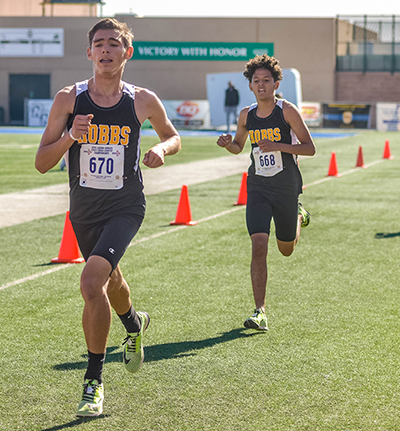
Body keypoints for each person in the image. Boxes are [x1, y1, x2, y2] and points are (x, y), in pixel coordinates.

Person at [35, 18, 181, 417]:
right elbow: (42, 163)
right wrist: (70, 137)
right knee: (109, 279)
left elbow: (173, 134)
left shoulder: (142, 100)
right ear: (89, 53)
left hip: (125, 205)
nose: (105, 50)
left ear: (126, 52)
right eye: (98, 44)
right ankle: (134, 325)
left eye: (113, 44)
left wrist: (162, 151)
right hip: (84, 210)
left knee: (90, 280)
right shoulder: (69, 99)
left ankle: (93, 381)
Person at [217, 54, 315, 331]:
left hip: (286, 187)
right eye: (256, 81)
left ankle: (297, 215)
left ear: (276, 83)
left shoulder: (287, 111)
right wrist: (228, 144)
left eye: (266, 81)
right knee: (259, 245)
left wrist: (280, 146)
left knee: (285, 250)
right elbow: (239, 146)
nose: (261, 85)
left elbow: (309, 147)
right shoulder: (246, 115)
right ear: (250, 86)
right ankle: (259, 311)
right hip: (258, 186)